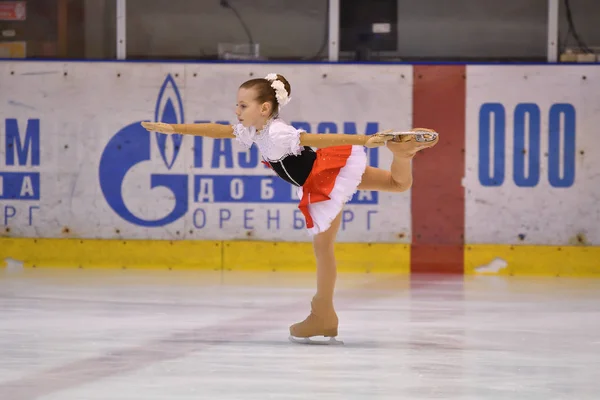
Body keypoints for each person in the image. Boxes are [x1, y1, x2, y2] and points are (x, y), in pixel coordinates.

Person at [141, 73, 438, 344]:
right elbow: (217, 131)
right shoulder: (254, 131)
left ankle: (322, 314)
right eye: (237, 105)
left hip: (322, 179)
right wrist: (174, 128)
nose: (237, 110)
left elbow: (315, 140)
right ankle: (403, 154)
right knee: (395, 185)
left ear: (264, 109)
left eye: (243, 105)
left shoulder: (277, 133)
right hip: (322, 174)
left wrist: (364, 140)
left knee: (324, 248)